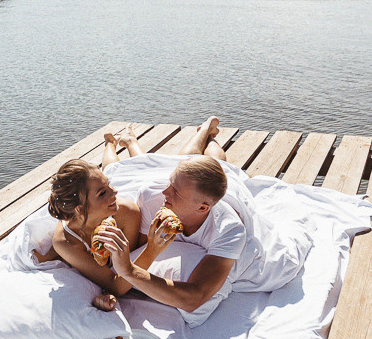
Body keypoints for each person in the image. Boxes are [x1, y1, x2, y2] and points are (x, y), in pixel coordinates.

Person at [96, 117, 243, 321]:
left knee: (222, 166)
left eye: (175, 192)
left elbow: (194, 297)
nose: (165, 192)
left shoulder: (228, 230)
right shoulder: (154, 196)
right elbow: (141, 247)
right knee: (127, 170)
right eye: (170, 184)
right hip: (178, 178)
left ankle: (209, 136)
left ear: (202, 207)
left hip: (226, 190)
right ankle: (200, 132)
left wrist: (129, 272)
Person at [39, 126, 178, 310]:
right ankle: (111, 143)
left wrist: (150, 248)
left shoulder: (127, 212)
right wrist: (152, 249)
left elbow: (128, 267)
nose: (114, 192)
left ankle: (128, 142)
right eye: (102, 192)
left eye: (108, 186)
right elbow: (116, 283)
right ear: (80, 209)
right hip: (104, 205)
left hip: (133, 191)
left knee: (124, 169)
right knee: (116, 171)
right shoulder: (66, 242)